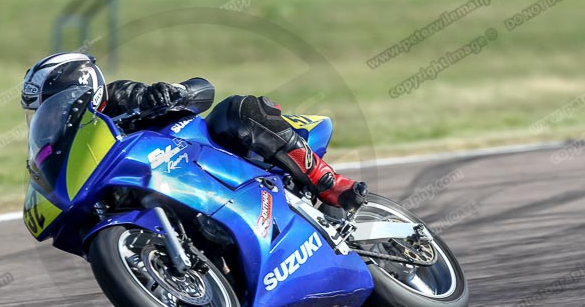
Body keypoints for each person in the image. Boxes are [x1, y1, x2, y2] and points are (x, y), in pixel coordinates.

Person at [21, 52, 367, 210]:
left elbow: (203, 90)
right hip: (160, 188)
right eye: (40, 115)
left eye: (54, 105)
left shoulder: (122, 96)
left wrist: (169, 93)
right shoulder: (75, 147)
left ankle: (328, 182)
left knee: (237, 109)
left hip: (201, 156)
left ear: (82, 90)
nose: (50, 119)